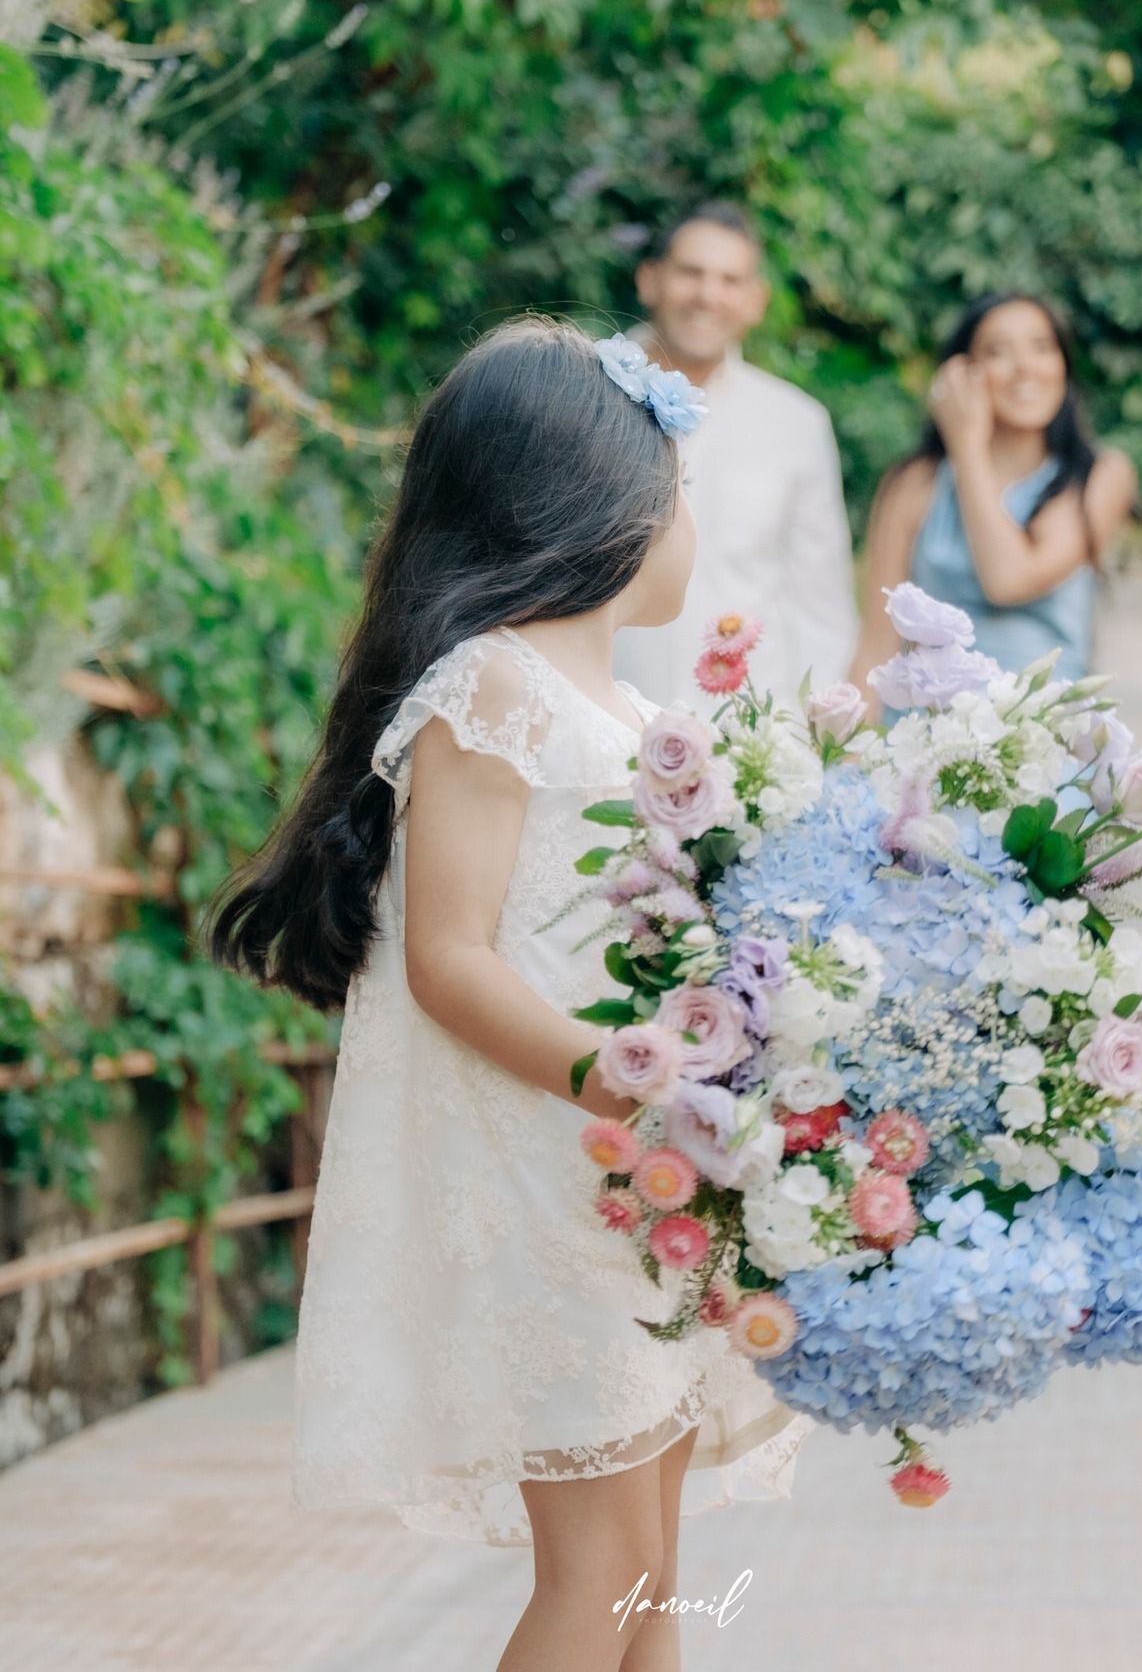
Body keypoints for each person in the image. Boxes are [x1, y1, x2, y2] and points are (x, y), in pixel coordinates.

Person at [209, 319, 809, 1672]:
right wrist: (621, 1078)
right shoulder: (489, 686)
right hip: (554, 1172)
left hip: (627, 1176)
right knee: (600, 1571)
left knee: (650, 1566)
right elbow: (452, 955)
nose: (687, 523)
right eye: (676, 492)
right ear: (583, 508)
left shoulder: (594, 692)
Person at [612, 202, 858, 711]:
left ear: (755, 301)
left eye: (730, 280)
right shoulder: (587, 397)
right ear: (649, 279)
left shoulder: (797, 423)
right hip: (604, 722)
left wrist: (801, 741)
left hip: (742, 738)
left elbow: (820, 604)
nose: (708, 295)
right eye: (691, 273)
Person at [849, 293, 1137, 706]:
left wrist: (966, 445)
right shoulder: (915, 484)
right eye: (999, 351)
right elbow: (875, 647)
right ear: (963, 373)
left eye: (1042, 347)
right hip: (926, 746)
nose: (1025, 368)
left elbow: (1008, 579)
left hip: (1045, 741)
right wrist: (840, 761)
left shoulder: (1099, 476)